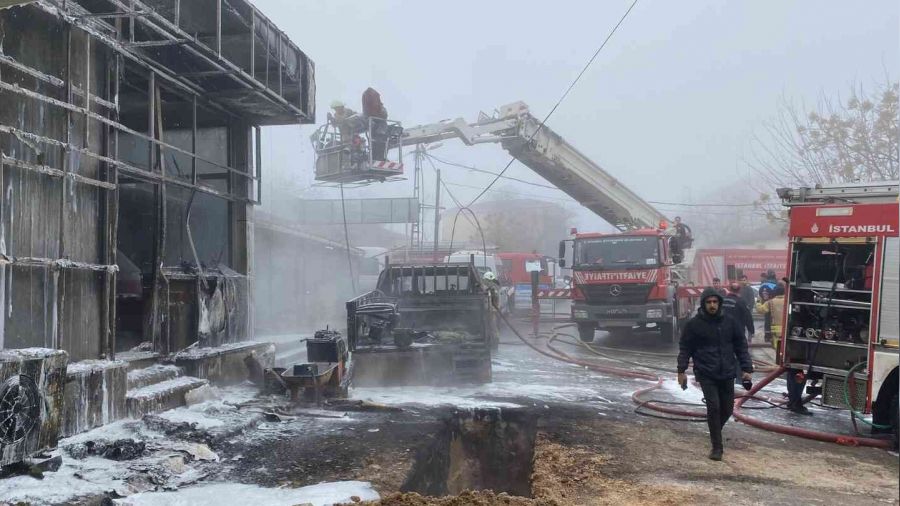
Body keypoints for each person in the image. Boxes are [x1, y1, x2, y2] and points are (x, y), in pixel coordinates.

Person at [677, 287, 753, 461]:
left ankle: (714, 430)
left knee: (727, 409)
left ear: (719, 303)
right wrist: (681, 371)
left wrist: (747, 369)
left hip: (727, 372)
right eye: (709, 302)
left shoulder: (730, 322)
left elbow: (741, 347)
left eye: (715, 302)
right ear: (704, 304)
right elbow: (685, 348)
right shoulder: (694, 325)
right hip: (705, 372)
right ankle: (717, 447)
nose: (712, 305)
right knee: (714, 407)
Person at [362, 87, 389, 161]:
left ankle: (376, 157)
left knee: (376, 143)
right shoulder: (379, 110)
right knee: (380, 143)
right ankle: (378, 157)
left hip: (376, 130)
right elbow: (384, 115)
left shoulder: (370, 115)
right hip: (379, 131)